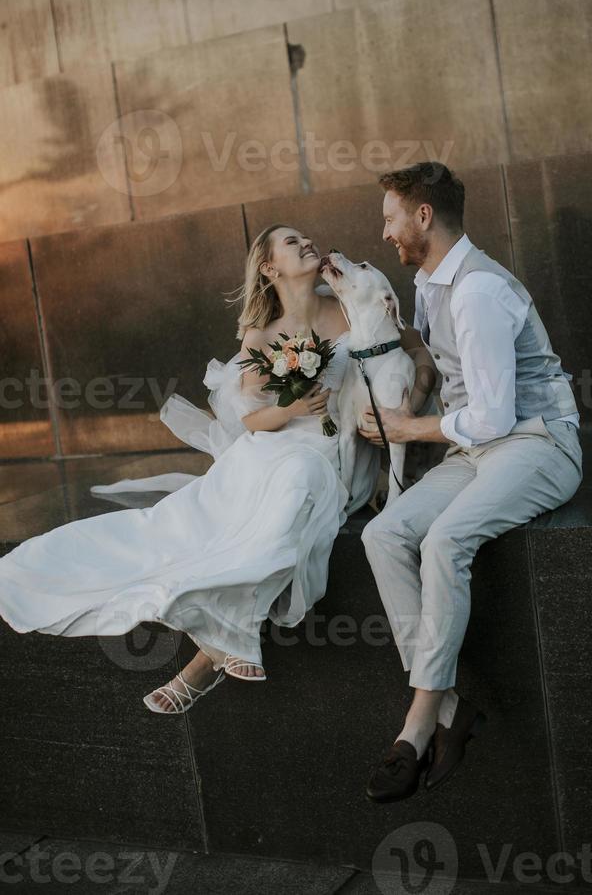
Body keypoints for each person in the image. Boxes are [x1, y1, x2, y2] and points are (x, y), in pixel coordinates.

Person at [0, 224, 385, 714]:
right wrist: (293, 409)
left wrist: (402, 412)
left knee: (296, 488)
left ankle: (213, 657)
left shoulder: (351, 304)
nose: (307, 241)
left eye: (306, 236)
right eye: (292, 242)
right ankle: (221, 644)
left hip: (331, 448)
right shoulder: (260, 334)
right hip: (271, 442)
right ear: (269, 268)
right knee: (189, 528)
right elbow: (252, 420)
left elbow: (412, 354)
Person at [358, 162, 583, 802]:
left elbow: (492, 416)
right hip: (477, 450)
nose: (385, 234)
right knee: (383, 535)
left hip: (538, 443)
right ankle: (452, 707)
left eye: (390, 218)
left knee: (444, 541)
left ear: (422, 216)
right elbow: (449, 377)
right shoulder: (434, 283)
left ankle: (419, 723)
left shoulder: (477, 289)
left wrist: (407, 431)